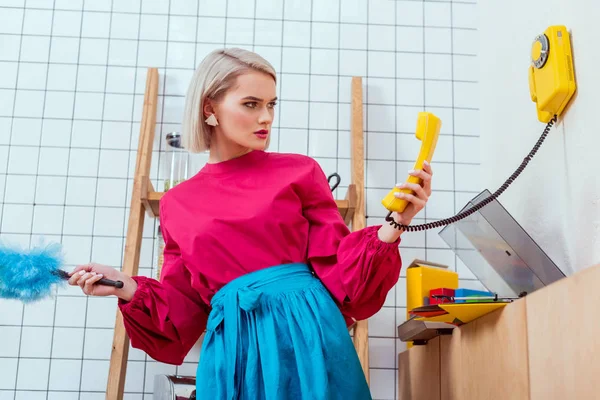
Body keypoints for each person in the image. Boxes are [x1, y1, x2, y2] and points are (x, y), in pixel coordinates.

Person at [69, 48, 433, 399]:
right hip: (234, 352)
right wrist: (124, 286)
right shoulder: (177, 204)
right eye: (251, 104)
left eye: (271, 104)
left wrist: (396, 222)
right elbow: (183, 304)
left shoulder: (300, 170)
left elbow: (338, 271)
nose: (266, 117)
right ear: (209, 108)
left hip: (307, 335)